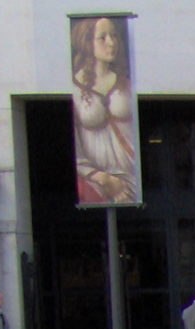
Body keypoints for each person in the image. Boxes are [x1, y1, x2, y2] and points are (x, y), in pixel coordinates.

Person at [70, 14, 139, 205]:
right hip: (97, 183)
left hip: (133, 179)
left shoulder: (127, 84)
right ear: (86, 42)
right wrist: (103, 178)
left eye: (114, 36)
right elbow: (74, 147)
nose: (111, 43)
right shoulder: (75, 89)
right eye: (103, 37)